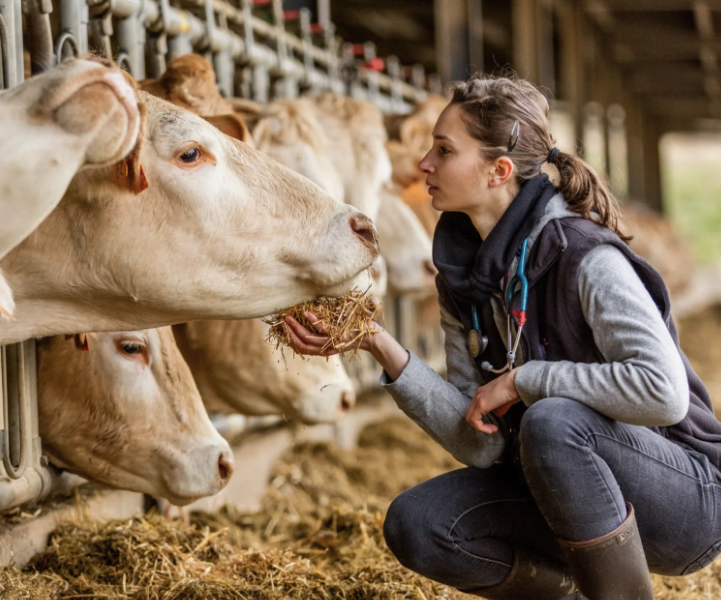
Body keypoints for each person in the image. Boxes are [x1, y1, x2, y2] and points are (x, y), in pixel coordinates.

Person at [283, 75, 721, 600]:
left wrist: (524, 382)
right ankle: (581, 588)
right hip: (563, 490)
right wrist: (380, 345)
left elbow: (663, 392)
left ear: (499, 171)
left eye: (444, 150)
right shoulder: (464, 282)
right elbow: (481, 445)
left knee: (552, 419)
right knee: (418, 523)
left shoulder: (585, 258)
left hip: (685, 496)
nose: (424, 164)